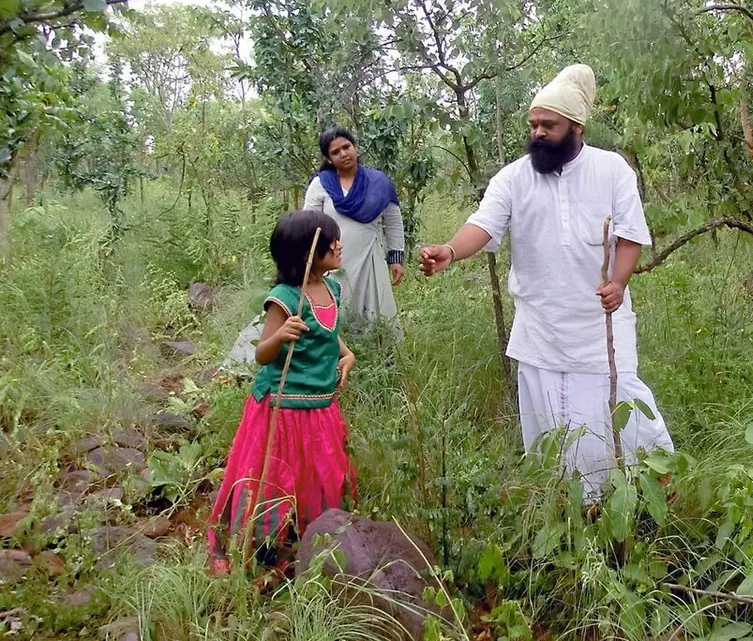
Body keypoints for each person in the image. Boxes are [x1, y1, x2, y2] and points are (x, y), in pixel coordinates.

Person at [419, 64, 673, 500]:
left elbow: (631, 236)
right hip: (540, 327)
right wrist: (450, 250)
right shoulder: (515, 177)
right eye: (534, 124)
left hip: (600, 325)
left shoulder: (612, 170)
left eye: (548, 125)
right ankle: (575, 506)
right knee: (554, 422)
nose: (538, 132)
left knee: (622, 406)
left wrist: (618, 283)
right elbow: (483, 224)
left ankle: (649, 491)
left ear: (576, 126)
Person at [207, 210, 358, 577]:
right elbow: (261, 354)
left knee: (320, 474)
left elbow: (328, 330)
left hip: (319, 406)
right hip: (282, 408)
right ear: (306, 252)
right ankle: (263, 546)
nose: (338, 245)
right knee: (273, 477)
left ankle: (316, 542)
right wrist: (280, 335)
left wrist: (346, 354)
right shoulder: (285, 297)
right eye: (329, 241)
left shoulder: (332, 288)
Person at [304, 127, 406, 330]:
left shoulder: (378, 182)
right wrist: (312, 263)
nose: (343, 154)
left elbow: (393, 221)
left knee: (377, 314)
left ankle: (381, 356)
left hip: (371, 257)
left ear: (355, 147)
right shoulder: (320, 185)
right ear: (328, 158)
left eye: (346, 147)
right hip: (332, 261)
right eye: (335, 152)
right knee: (339, 312)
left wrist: (396, 259)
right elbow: (308, 225)